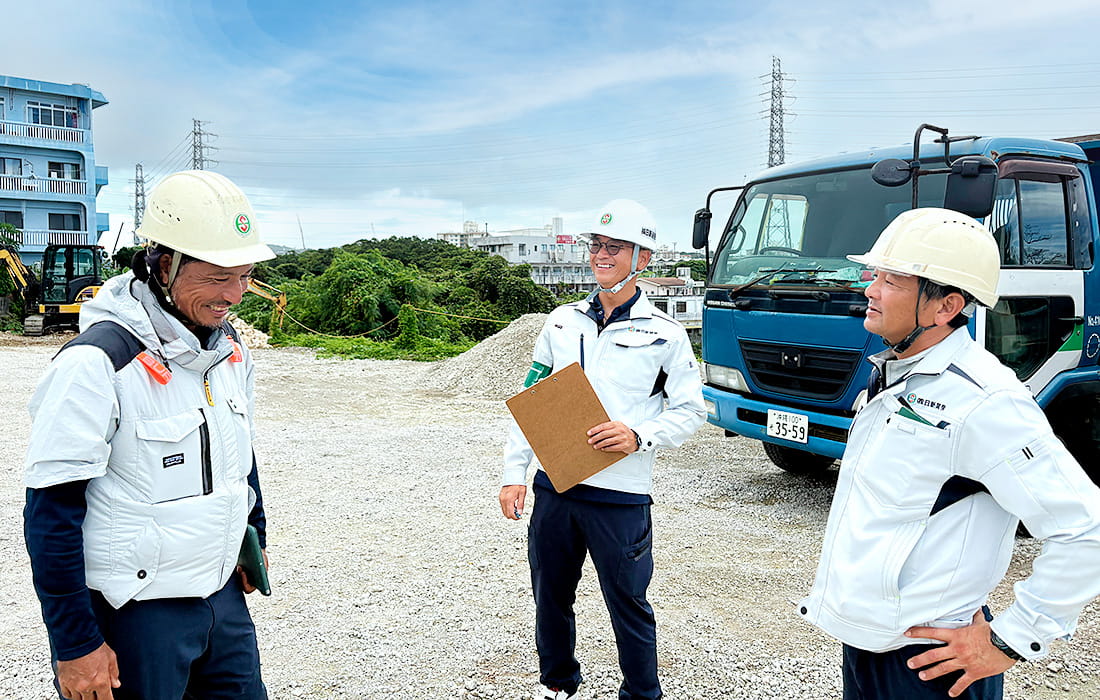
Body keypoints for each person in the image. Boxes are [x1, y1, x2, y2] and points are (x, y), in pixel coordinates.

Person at [798, 208, 1100, 699]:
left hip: (931, 664)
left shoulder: (984, 400)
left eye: (892, 279)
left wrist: (1009, 640)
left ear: (946, 306)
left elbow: (1086, 527)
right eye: (872, 274)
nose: (870, 289)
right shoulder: (893, 374)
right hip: (870, 645)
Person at [23, 170, 276, 700]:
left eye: (246, 275)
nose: (235, 294)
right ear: (165, 266)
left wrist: (255, 536)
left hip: (223, 600)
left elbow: (240, 456)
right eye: (218, 277)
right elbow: (51, 511)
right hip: (137, 613)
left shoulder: (229, 352)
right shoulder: (97, 364)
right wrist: (74, 645)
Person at [499, 199, 706, 700]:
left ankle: (641, 693)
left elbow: (692, 411)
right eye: (597, 245)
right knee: (550, 595)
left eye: (615, 247)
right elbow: (533, 400)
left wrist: (638, 435)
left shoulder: (665, 334)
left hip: (620, 494)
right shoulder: (560, 322)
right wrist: (514, 472)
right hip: (557, 487)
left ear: (644, 258)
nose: (602, 255)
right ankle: (557, 682)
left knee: (628, 602)